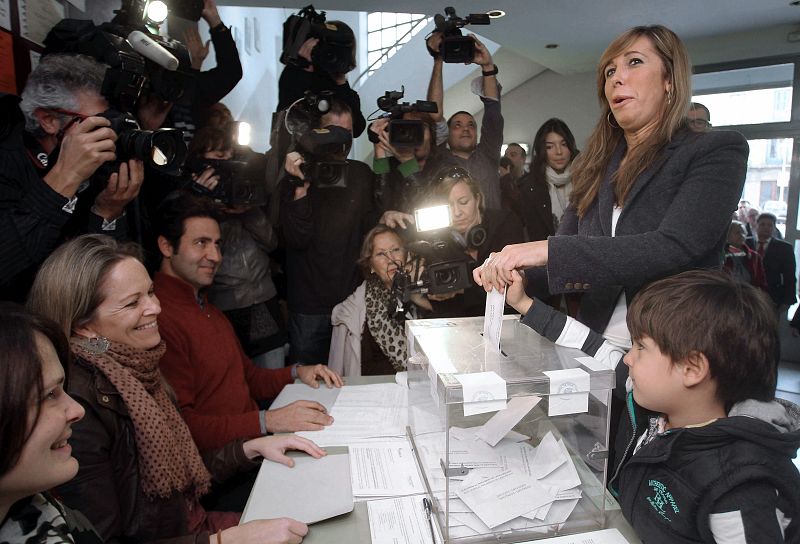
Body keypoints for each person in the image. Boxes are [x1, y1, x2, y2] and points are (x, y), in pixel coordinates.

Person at [26, 236, 322, 544]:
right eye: (132, 303)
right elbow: (104, 539)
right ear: (84, 327)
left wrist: (247, 449)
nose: (155, 307)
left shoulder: (138, 369)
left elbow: (177, 482)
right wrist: (223, 541)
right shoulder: (78, 407)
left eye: (150, 293)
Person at [475, 25, 748, 350]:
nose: (618, 77)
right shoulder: (599, 165)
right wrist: (513, 276)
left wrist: (542, 250)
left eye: (634, 62)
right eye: (609, 71)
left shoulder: (716, 149)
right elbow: (567, 249)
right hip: (594, 345)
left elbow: (675, 246)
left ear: (670, 80)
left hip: (675, 347)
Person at [504, 269, 800, 542]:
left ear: (692, 368)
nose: (628, 358)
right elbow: (590, 345)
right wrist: (525, 304)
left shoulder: (740, 487)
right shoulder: (656, 401)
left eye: (640, 347)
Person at [152, 192, 343, 453]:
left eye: (217, 244)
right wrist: (269, 420)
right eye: (201, 243)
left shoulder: (207, 309)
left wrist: (297, 371)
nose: (215, 256)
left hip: (251, 449)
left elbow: (249, 378)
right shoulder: (158, 319)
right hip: (226, 468)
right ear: (166, 246)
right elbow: (183, 428)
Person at [0, 53, 143, 302]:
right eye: (98, 122)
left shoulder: (98, 166)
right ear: (49, 120)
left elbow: (100, 283)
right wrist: (65, 178)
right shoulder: (7, 161)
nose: (109, 132)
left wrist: (107, 213)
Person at [281, 99, 377, 365]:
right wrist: (300, 187)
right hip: (309, 306)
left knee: (351, 383)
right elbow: (296, 238)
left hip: (351, 301)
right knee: (307, 385)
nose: (339, 142)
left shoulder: (360, 174)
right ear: (314, 133)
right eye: (332, 132)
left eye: (346, 134)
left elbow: (373, 232)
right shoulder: (298, 175)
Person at [187, 127, 287, 369]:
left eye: (230, 154)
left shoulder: (245, 187)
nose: (227, 162)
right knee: (232, 376)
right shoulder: (188, 200)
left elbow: (272, 243)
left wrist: (248, 210)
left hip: (263, 300)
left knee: (273, 374)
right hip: (223, 305)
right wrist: (204, 204)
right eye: (219, 156)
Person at [0, 303, 100, 544]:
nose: (78, 410)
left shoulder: (49, 513)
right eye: (49, 395)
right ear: (83, 325)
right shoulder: (94, 380)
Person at [329, 225, 431, 376]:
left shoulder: (428, 293)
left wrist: (419, 298)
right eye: (381, 254)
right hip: (372, 392)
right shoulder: (350, 310)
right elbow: (336, 370)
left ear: (407, 254)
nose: (391, 259)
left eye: (395, 250)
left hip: (420, 390)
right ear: (371, 265)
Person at [427, 166, 524, 318]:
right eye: (449, 206)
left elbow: (508, 285)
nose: (457, 212)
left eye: (463, 202)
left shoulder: (505, 223)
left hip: (510, 319)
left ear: (477, 199)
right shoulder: (437, 242)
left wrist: (462, 290)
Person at [426, 32, 504, 209]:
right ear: (447, 133)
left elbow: (493, 113)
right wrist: (438, 59)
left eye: (471, 125)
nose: (466, 129)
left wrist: (487, 66)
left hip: (495, 232)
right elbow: (434, 114)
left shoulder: (488, 155)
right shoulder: (439, 159)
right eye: (457, 125)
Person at [276, 21, 365, 137]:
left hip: (333, 152)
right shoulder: (293, 76)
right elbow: (287, 120)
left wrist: (340, 81)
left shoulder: (343, 90)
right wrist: (304, 66)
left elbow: (356, 128)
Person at [516, 119, 580, 241]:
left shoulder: (588, 180)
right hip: (545, 256)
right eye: (550, 147)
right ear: (541, 150)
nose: (559, 152)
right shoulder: (528, 187)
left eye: (564, 144)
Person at [371, 113, 442, 213]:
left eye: (420, 128)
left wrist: (408, 162)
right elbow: (381, 208)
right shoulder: (388, 165)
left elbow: (430, 209)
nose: (414, 135)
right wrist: (379, 150)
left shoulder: (444, 165)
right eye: (406, 129)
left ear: (431, 134)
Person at [747, 212, 797, 314]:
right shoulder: (746, 243)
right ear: (756, 225)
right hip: (746, 296)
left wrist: (787, 301)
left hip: (772, 298)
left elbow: (790, 276)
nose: (766, 228)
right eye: (762, 224)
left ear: (774, 228)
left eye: (770, 225)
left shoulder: (784, 248)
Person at [723, 220, 767, 290]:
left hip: (749, 296)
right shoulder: (721, 255)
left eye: (743, 232)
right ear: (727, 235)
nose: (742, 235)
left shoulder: (754, 256)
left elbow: (761, 283)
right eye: (737, 233)